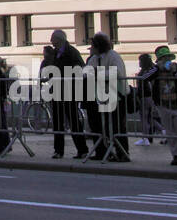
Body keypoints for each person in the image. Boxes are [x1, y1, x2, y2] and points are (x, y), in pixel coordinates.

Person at [144, 45, 177, 165]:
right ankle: (176, 155)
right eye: (162, 58)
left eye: (167, 58)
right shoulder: (156, 70)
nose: (165, 61)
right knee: (170, 132)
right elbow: (144, 77)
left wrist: (175, 72)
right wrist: (156, 69)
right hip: (163, 104)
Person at [87, 32, 129, 162]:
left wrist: (97, 73)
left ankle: (122, 152)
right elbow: (87, 71)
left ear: (98, 46)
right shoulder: (94, 58)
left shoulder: (113, 56)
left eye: (92, 46)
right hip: (101, 96)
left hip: (117, 95)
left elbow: (117, 72)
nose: (90, 48)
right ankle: (103, 151)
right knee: (100, 126)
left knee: (117, 126)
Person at [48, 30, 89, 159]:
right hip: (57, 91)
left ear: (60, 40)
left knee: (74, 121)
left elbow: (79, 69)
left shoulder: (71, 52)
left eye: (54, 40)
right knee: (57, 122)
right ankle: (58, 150)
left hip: (69, 91)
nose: (52, 43)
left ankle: (82, 149)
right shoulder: (56, 53)